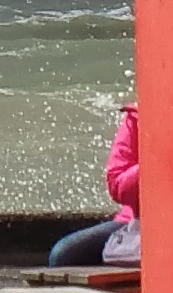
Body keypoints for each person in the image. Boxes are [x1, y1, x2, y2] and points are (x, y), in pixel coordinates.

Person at [44, 101, 141, 267]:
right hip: (135, 221)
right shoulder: (136, 116)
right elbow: (117, 186)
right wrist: (151, 162)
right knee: (62, 255)